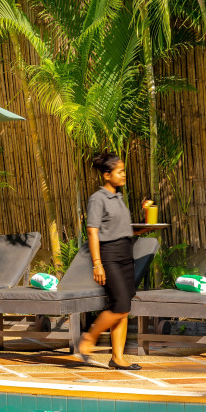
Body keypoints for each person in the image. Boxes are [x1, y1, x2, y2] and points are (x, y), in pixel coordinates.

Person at [77, 152, 145, 370]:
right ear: (107, 175)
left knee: (123, 309)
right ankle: (90, 337)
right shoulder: (97, 199)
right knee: (120, 305)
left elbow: (120, 228)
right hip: (110, 256)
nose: (123, 175)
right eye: (119, 171)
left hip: (126, 255)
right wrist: (97, 263)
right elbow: (92, 232)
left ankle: (117, 358)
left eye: (123, 171)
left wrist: (144, 225)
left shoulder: (118, 197)